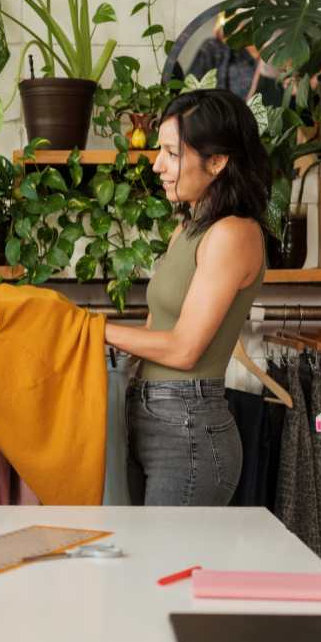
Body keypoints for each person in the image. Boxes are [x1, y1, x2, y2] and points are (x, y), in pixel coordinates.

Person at [105, 89, 269, 506]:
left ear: (217, 161)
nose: (157, 164)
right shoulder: (188, 230)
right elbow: (155, 328)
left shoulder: (234, 234)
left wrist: (92, 328)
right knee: (145, 566)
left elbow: (183, 349)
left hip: (188, 431)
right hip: (149, 419)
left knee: (167, 568)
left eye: (172, 153)